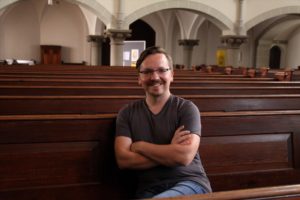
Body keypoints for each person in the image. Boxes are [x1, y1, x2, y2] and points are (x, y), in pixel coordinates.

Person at [115, 46, 212, 199]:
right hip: (148, 189)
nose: (154, 77)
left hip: (190, 184)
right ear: (139, 78)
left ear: (172, 75)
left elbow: (184, 157)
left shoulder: (186, 109)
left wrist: (139, 146)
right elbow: (124, 160)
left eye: (161, 70)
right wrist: (170, 150)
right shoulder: (127, 113)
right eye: (147, 72)